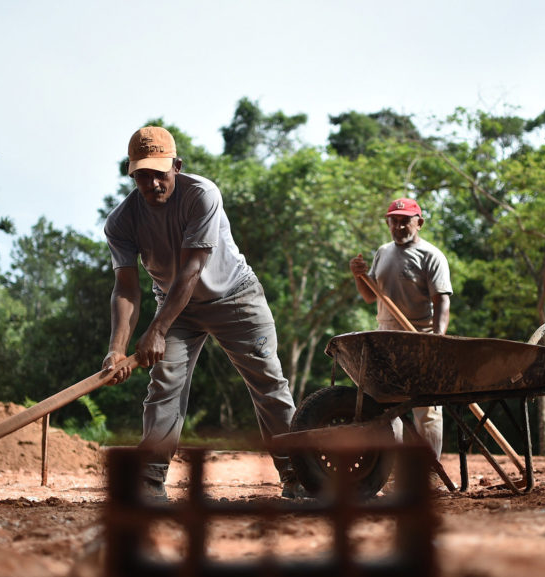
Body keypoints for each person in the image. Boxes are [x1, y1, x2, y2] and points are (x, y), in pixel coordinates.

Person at [102, 125, 303, 500]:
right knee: (165, 385)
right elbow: (126, 288)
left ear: (176, 166)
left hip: (236, 297)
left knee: (268, 381)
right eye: (142, 175)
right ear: (131, 174)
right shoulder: (121, 221)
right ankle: (149, 484)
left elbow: (192, 269)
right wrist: (117, 348)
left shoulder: (202, 195)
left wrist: (157, 330)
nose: (153, 184)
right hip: (178, 309)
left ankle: (298, 474)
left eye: (160, 174)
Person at [349, 197, 452, 459]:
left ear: (420, 222)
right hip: (385, 337)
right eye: (393, 221)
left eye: (405, 221)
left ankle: (429, 472)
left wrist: (437, 340)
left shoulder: (432, 256)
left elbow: (441, 300)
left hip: (419, 337)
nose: (399, 227)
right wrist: (360, 276)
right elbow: (370, 296)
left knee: (426, 409)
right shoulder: (383, 252)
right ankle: (388, 471)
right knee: (384, 407)